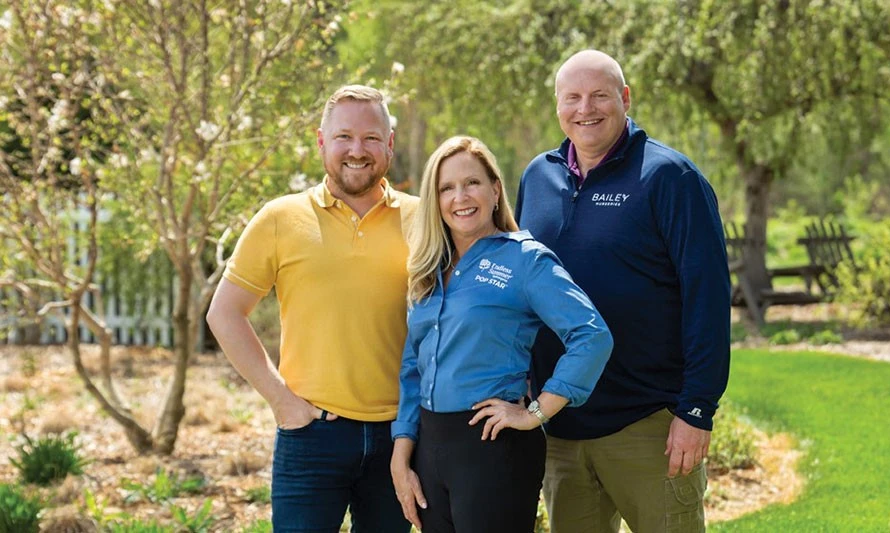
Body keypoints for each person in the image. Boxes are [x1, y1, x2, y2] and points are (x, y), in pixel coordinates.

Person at [515, 50, 731, 532]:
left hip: (649, 424)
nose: (585, 108)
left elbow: (709, 300)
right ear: (557, 105)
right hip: (561, 424)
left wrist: (696, 411)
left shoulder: (670, 178)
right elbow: (521, 289)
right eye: (572, 97)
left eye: (599, 95)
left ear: (625, 98)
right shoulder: (537, 178)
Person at [206, 85, 418, 533]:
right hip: (311, 434)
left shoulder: (425, 220)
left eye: (371, 138)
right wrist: (282, 402)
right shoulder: (280, 218)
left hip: (401, 439)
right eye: (343, 137)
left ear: (390, 144)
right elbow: (224, 313)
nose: (357, 151)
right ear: (321, 142)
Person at [389, 136, 613, 533]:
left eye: (472, 182)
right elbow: (413, 369)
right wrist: (401, 454)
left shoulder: (526, 259)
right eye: (446, 188)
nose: (460, 196)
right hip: (429, 449)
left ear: (495, 190)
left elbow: (591, 335)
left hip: (493, 447)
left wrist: (536, 412)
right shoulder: (427, 271)